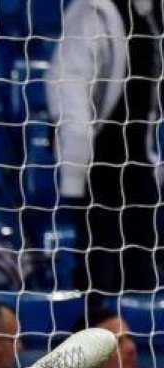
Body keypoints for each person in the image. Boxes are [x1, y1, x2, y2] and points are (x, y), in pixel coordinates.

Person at [47, 0, 162, 294]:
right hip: (102, 173)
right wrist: (75, 175)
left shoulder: (149, 14)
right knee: (102, 281)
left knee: (140, 279)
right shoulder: (93, 10)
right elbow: (69, 87)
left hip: (139, 172)